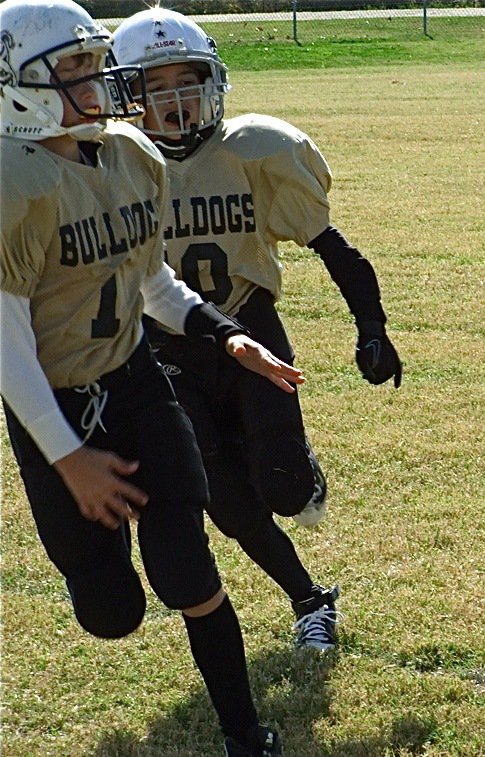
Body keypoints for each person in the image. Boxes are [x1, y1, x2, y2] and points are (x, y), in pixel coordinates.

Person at [0, 0, 294, 757]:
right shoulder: (10, 183)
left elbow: (152, 280)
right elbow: (7, 350)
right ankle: (98, 576)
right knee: (112, 613)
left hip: (135, 382)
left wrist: (229, 338)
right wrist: (68, 457)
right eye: (72, 69)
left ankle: (246, 741)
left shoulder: (132, 154)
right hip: (53, 405)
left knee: (185, 567)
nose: (96, 81)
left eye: (94, 62)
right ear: (14, 85)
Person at [110, 8, 403, 651]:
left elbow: (334, 248)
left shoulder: (253, 150)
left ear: (212, 83)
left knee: (284, 488)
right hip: (165, 347)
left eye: (187, 83)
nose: (176, 103)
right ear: (127, 96)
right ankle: (310, 600)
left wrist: (372, 326)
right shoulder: (110, 168)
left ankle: (295, 469)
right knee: (224, 498)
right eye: (156, 88)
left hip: (249, 324)